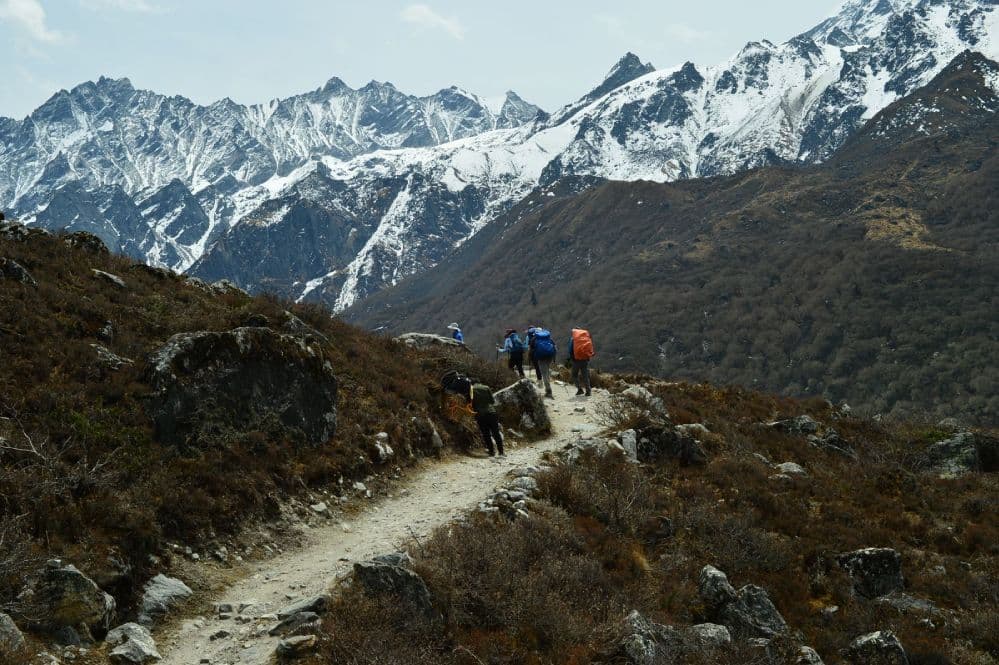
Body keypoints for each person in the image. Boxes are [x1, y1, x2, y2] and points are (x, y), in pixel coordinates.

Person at [468, 379, 504, 457]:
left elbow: (470, 403)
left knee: (486, 434)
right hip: (491, 413)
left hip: (480, 415)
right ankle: (501, 452)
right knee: (496, 433)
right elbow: (492, 401)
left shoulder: (471, 389)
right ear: (479, 382)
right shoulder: (486, 387)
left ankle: (491, 452)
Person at [568, 328, 595, 396]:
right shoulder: (586, 338)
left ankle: (580, 389)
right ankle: (588, 391)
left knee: (574, 375)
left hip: (576, 360)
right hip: (585, 359)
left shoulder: (573, 339)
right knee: (585, 375)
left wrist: (572, 358)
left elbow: (570, 350)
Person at [531, 328, 557, 399]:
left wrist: (533, 359)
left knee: (544, 374)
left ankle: (549, 391)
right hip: (549, 357)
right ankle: (548, 389)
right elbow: (555, 347)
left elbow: (532, 350)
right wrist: (554, 359)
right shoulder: (548, 338)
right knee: (547, 372)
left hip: (541, 358)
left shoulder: (534, 339)